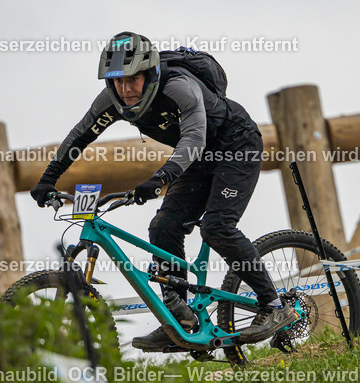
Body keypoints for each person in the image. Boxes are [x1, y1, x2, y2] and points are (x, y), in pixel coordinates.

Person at [31, 31, 297, 351]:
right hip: (196, 162)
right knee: (163, 226)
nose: (125, 89)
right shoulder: (112, 101)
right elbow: (79, 138)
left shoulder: (178, 88)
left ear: (150, 74)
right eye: (117, 81)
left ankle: (274, 305)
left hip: (236, 147)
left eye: (133, 79)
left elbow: (195, 138)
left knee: (216, 227)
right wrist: (48, 179)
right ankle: (180, 319)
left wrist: (161, 178)